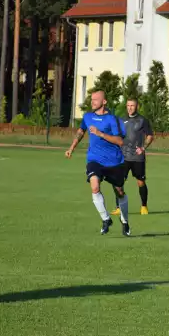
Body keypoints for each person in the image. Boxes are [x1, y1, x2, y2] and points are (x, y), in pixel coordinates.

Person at [65, 90, 131, 236]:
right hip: (95, 159)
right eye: (91, 99)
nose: (92, 102)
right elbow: (81, 131)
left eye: (95, 99)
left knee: (119, 192)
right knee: (94, 187)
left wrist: (100, 133)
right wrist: (71, 148)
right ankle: (106, 219)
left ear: (104, 102)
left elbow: (120, 141)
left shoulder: (112, 120)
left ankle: (125, 221)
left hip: (114, 162)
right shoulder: (87, 117)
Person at [111, 98, 154, 216]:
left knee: (140, 182)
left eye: (132, 106)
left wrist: (143, 147)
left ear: (137, 107)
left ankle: (144, 206)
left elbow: (150, 136)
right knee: (118, 182)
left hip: (137, 158)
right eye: (128, 105)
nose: (130, 108)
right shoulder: (121, 120)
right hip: (123, 156)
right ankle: (119, 207)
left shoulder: (143, 120)